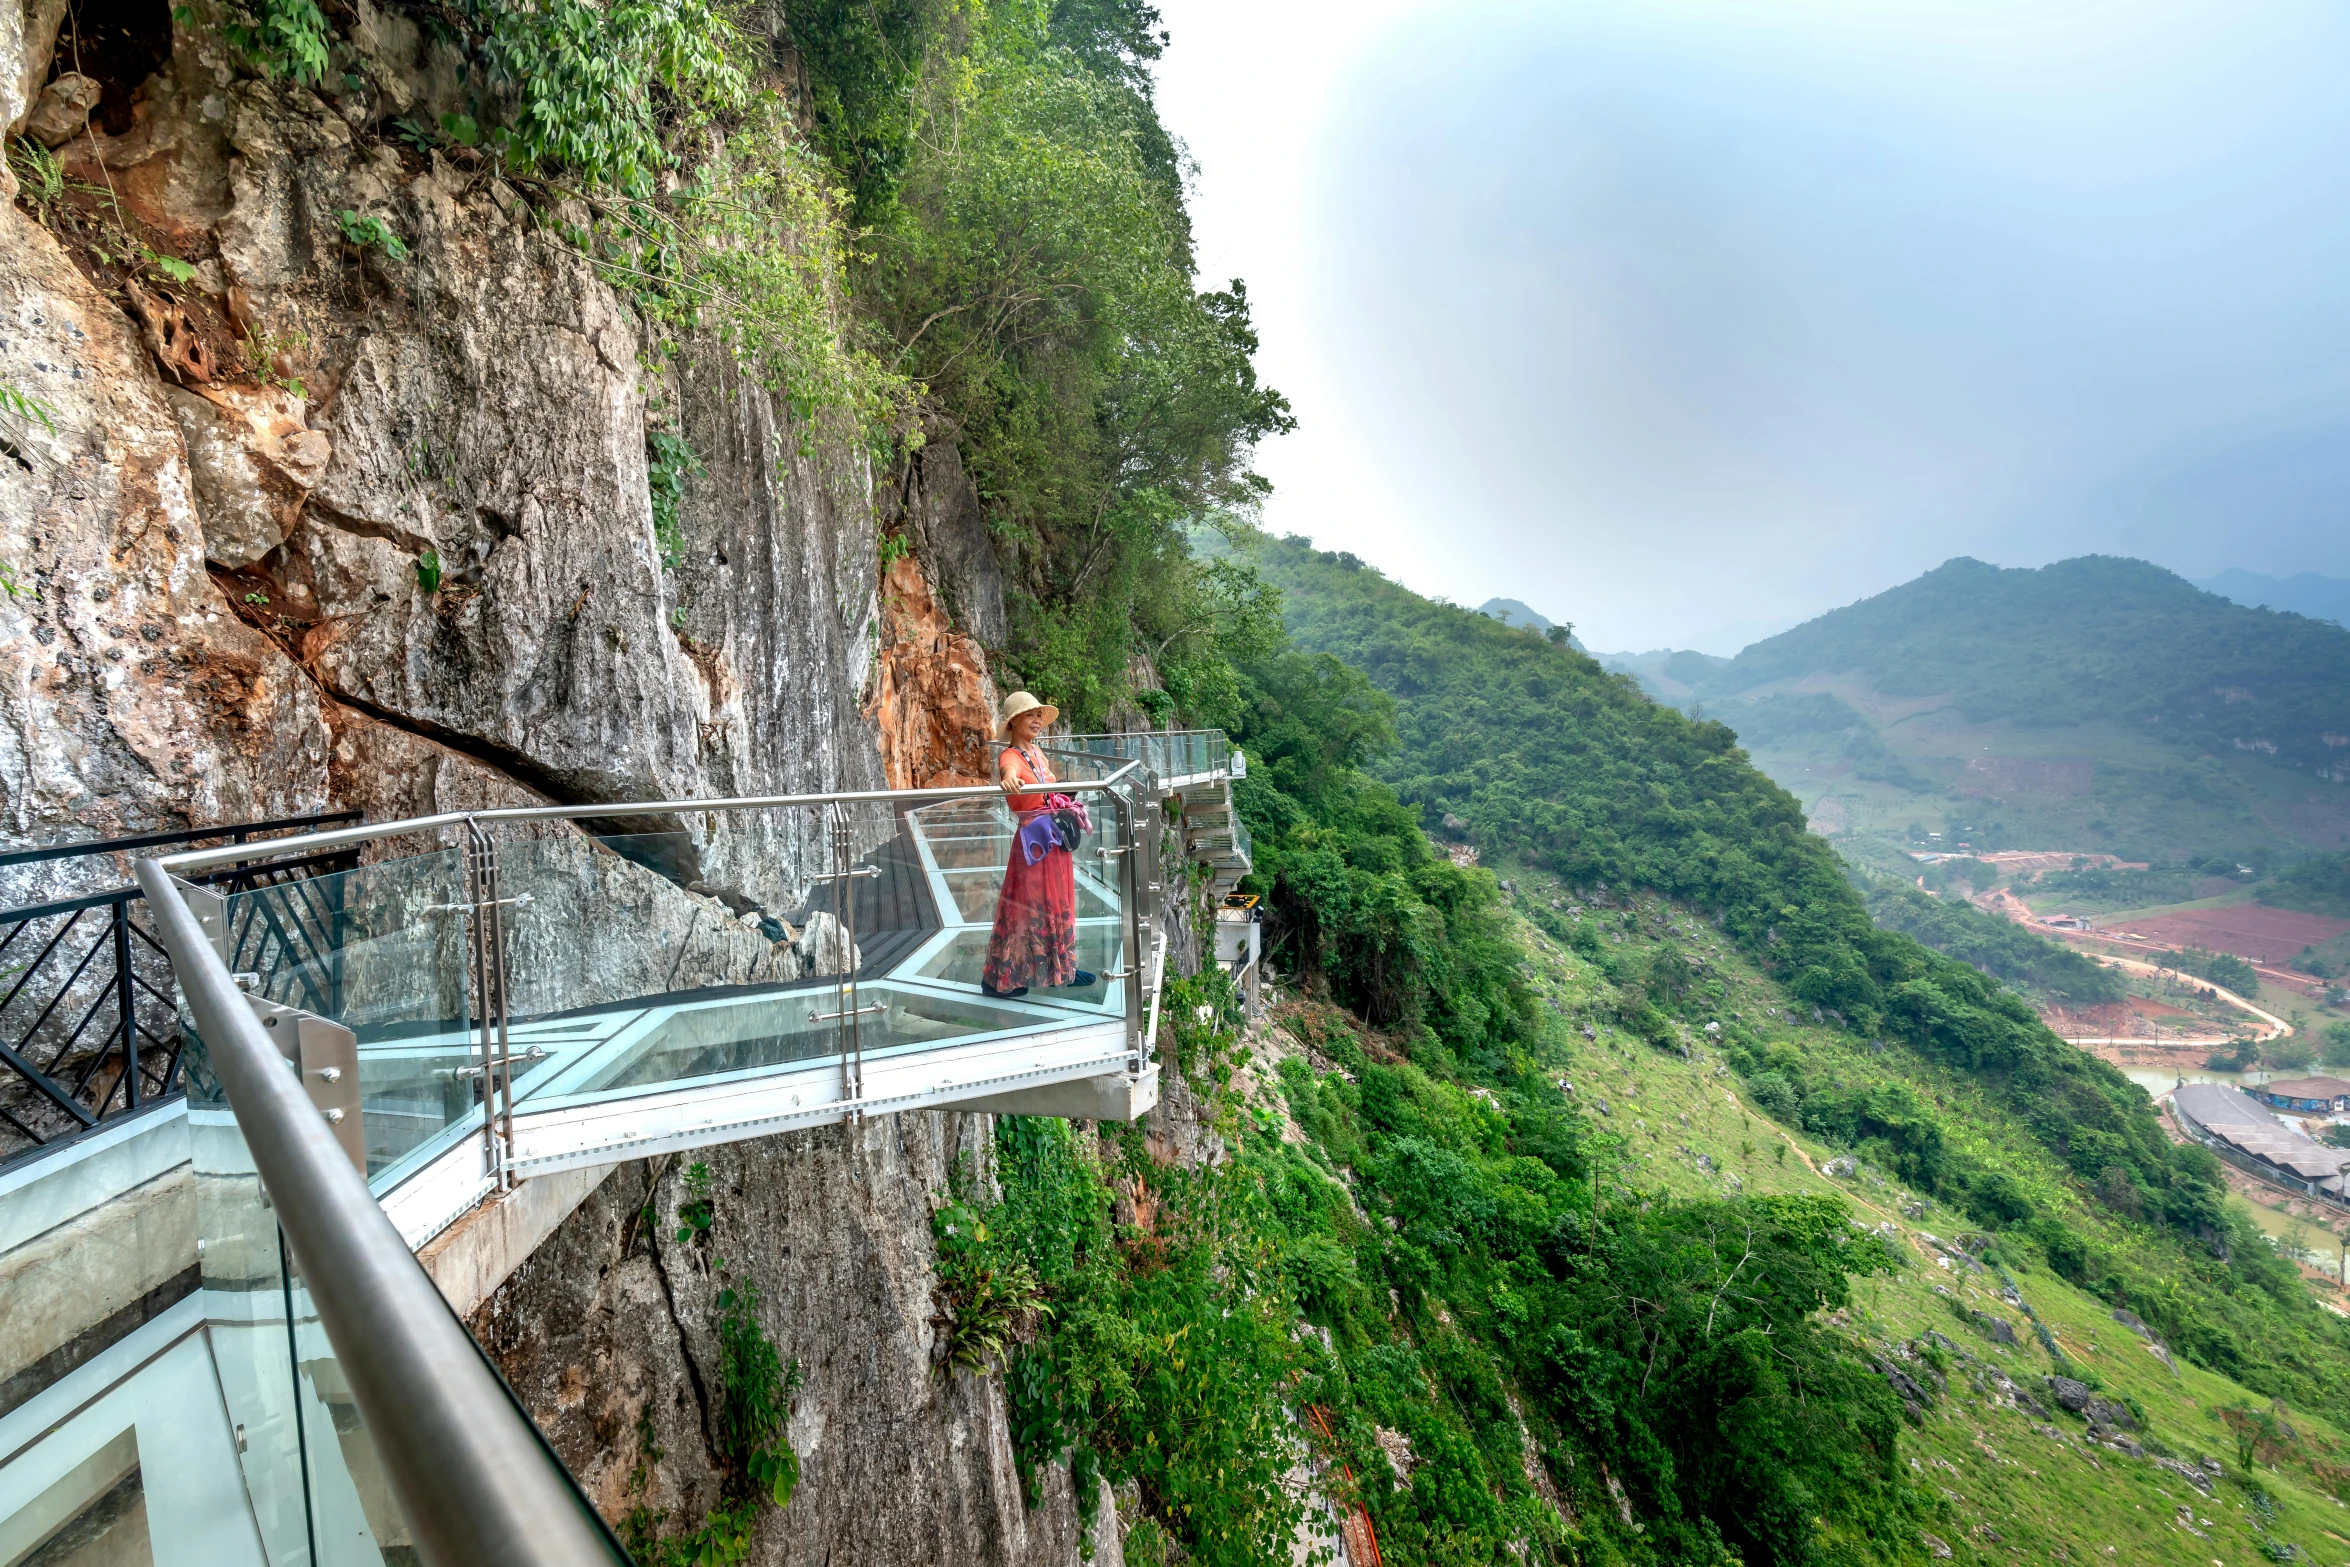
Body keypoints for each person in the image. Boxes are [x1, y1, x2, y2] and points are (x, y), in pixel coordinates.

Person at [981, 692, 1096, 998]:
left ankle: (1062, 970)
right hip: (1034, 841)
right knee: (1025, 905)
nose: (1036, 722)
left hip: (1053, 837)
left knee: (1058, 903)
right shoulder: (1010, 757)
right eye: (1029, 715)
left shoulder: (1038, 753)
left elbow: (1047, 787)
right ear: (1013, 721)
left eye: (1038, 717)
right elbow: (1009, 773)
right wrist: (1007, 780)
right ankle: (1002, 979)